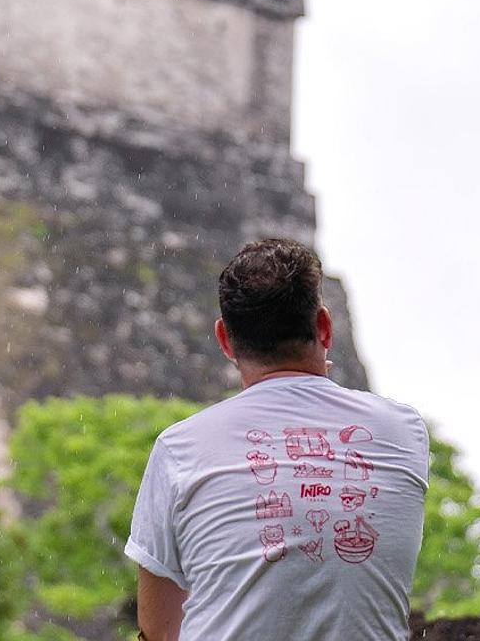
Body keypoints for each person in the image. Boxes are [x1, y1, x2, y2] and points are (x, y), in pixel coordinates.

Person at [126, 239, 428, 641]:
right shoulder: (402, 430)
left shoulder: (180, 449)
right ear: (324, 326)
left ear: (226, 340)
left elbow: (158, 630)